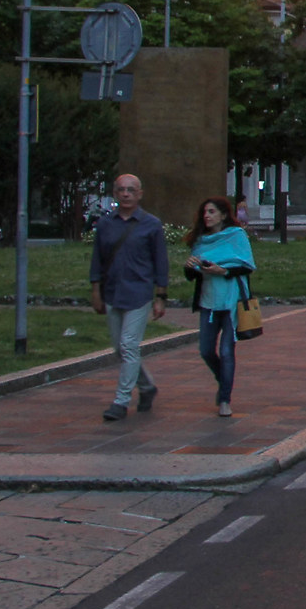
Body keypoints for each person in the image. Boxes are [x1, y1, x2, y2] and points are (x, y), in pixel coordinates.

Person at [87, 174, 168, 423]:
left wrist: (160, 296)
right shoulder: (105, 225)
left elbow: (160, 263)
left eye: (131, 190)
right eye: (121, 190)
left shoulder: (151, 225)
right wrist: (95, 290)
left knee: (129, 345)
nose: (126, 194)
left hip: (139, 293)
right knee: (120, 349)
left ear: (140, 194)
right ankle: (146, 387)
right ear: (114, 192)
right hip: (112, 292)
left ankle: (121, 401)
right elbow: (97, 260)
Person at [183, 196, 256, 418]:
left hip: (231, 302)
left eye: (212, 212)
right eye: (205, 212)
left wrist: (222, 271)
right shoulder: (200, 241)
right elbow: (190, 276)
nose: (207, 216)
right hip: (208, 302)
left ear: (223, 215)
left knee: (226, 351)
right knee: (206, 350)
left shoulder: (236, 236)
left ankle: (225, 398)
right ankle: (222, 378)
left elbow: (246, 266)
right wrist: (189, 267)